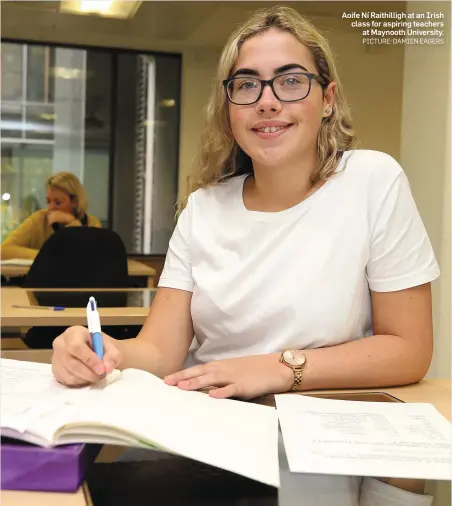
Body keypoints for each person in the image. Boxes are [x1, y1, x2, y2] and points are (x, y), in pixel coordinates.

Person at [51, 6, 439, 505]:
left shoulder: (371, 181)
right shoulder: (203, 209)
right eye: (247, 85)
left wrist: (278, 367)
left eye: (291, 81)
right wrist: (100, 352)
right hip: (205, 427)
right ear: (229, 105)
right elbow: (161, 351)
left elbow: (408, 347)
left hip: (318, 432)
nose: (268, 102)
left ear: (327, 98)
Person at [1, 171, 101, 260]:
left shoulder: (92, 223)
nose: (51, 208)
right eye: (48, 201)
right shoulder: (40, 219)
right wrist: (46, 255)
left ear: (75, 201)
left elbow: (86, 256)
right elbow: (4, 250)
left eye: (58, 203)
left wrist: (72, 223)